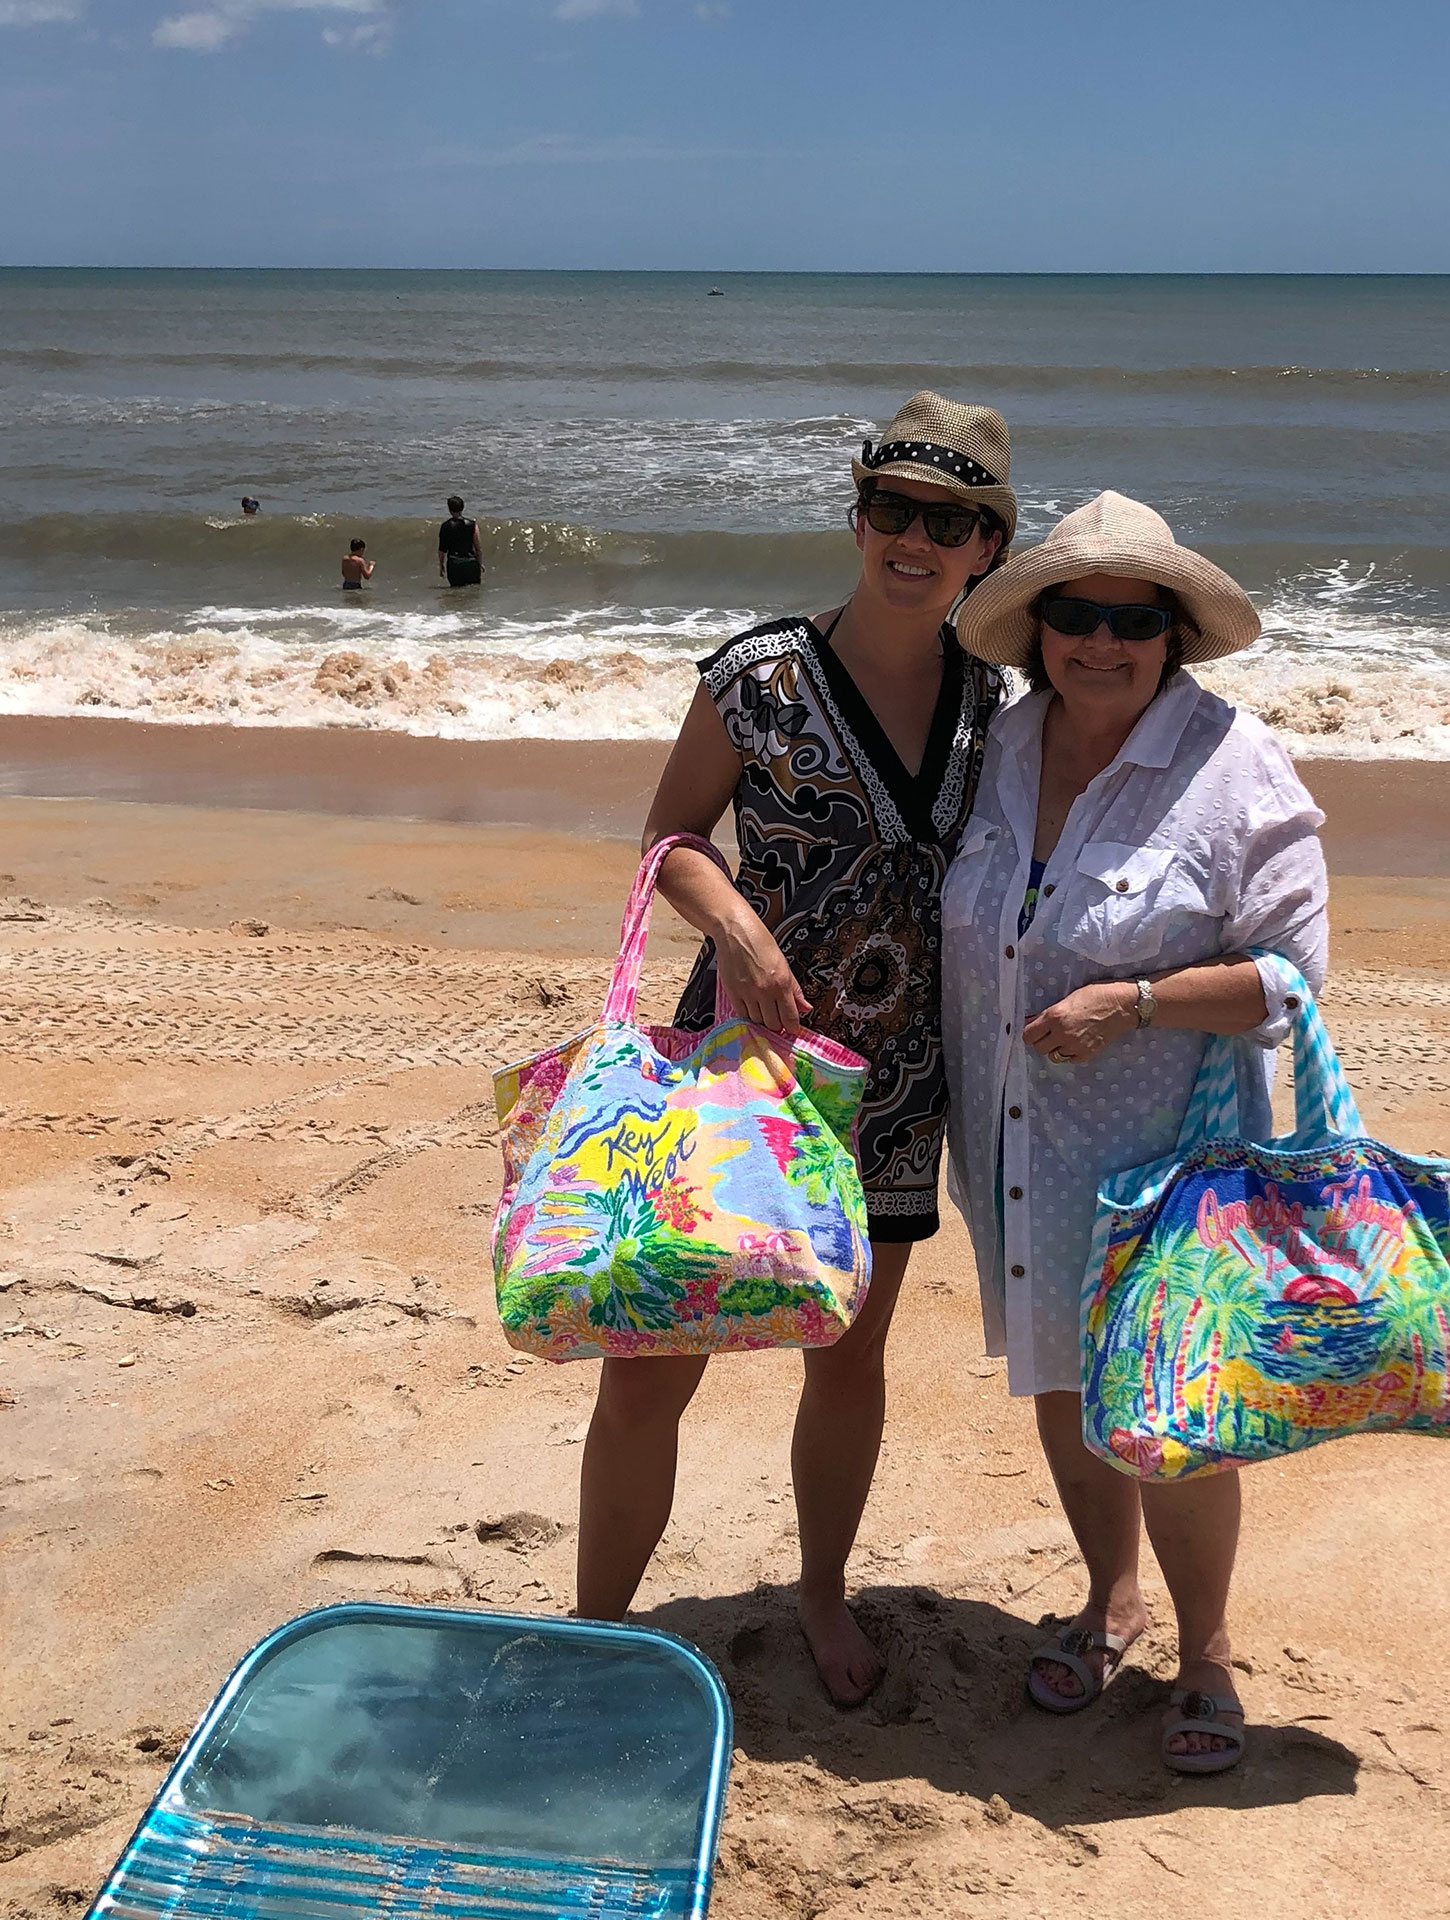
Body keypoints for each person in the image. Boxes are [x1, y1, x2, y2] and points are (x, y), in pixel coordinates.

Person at [576, 393, 1015, 1706]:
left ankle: (822, 1594)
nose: (914, 541)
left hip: (897, 1086)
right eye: (893, 510)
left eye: (950, 522)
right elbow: (670, 841)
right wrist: (744, 936)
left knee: (847, 1356)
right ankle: (598, 1626)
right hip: (740, 1072)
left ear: (989, 547)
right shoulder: (757, 674)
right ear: (858, 516)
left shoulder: (1003, 704)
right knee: (654, 1357)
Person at [940, 491, 1329, 1775]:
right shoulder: (1003, 745)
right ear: (1037, 627)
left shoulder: (1234, 764)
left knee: (1168, 1409)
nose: (1099, 643)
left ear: (1173, 638)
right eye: (1075, 615)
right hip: (1013, 1147)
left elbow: (1289, 982)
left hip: (1165, 1165)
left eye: (1132, 621)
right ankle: (1112, 1598)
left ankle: (1205, 1649)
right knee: (1061, 1376)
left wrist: (1137, 1000)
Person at [438, 495, 483, 586]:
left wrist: (441, 566)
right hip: (471, 562)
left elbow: (442, 550)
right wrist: (480, 563)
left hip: (455, 564)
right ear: (463, 508)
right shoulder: (472, 525)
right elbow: (478, 548)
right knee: (473, 593)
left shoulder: (445, 526)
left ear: (449, 509)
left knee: (456, 593)